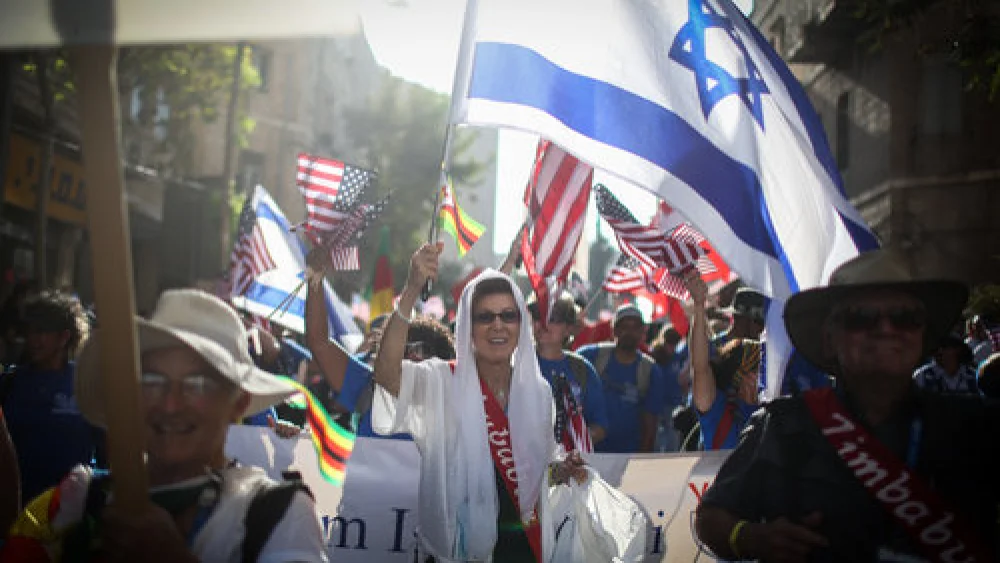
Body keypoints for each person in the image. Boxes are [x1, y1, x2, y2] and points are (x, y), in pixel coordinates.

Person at [694, 249, 1000, 562]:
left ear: (923, 335)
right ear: (829, 339)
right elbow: (710, 517)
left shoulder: (976, 426)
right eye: (861, 318)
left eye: (905, 318)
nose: (886, 329)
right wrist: (749, 537)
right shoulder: (782, 425)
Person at [0, 289, 328, 562]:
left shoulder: (278, 516)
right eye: (153, 381)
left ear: (238, 403)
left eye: (198, 384)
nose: (171, 404)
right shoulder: (73, 505)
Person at [370, 243, 586, 562]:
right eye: (485, 317)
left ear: (520, 325)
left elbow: (539, 475)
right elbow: (387, 375)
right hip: (458, 550)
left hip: (522, 550)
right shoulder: (442, 382)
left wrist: (562, 470)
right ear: (468, 327)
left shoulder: (538, 393)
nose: (497, 325)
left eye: (507, 316)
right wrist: (412, 288)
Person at [303, 248, 455, 439]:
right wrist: (315, 278)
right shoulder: (368, 386)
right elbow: (319, 342)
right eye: (403, 350)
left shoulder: (453, 405)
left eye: (421, 352)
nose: (410, 359)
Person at [0, 290, 104, 503]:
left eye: (42, 332)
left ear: (64, 337)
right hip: (17, 514)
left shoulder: (85, 383)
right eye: (30, 331)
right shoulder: (10, 382)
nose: (33, 340)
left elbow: (107, 451)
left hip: (71, 514)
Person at [684, 272, 761, 450]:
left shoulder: (767, 410)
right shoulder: (715, 410)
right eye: (756, 368)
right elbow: (700, 367)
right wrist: (699, 306)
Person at [578, 304, 666, 453]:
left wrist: (642, 461)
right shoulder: (589, 356)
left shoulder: (650, 370)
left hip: (627, 455)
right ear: (614, 330)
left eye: (635, 328)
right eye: (624, 327)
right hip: (587, 453)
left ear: (642, 332)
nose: (629, 332)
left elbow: (650, 421)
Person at [529, 293, 609, 452]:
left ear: (569, 328)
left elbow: (600, 427)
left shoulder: (581, 369)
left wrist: (569, 444)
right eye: (538, 317)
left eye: (553, 319)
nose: (544, 325)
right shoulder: (514, 365)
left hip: (568, 466)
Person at [913, 334, 979, 395]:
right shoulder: (922, 376)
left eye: (945, 347)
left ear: (958, 350)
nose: (940, 351)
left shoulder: (972, 377)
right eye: (937, 347)